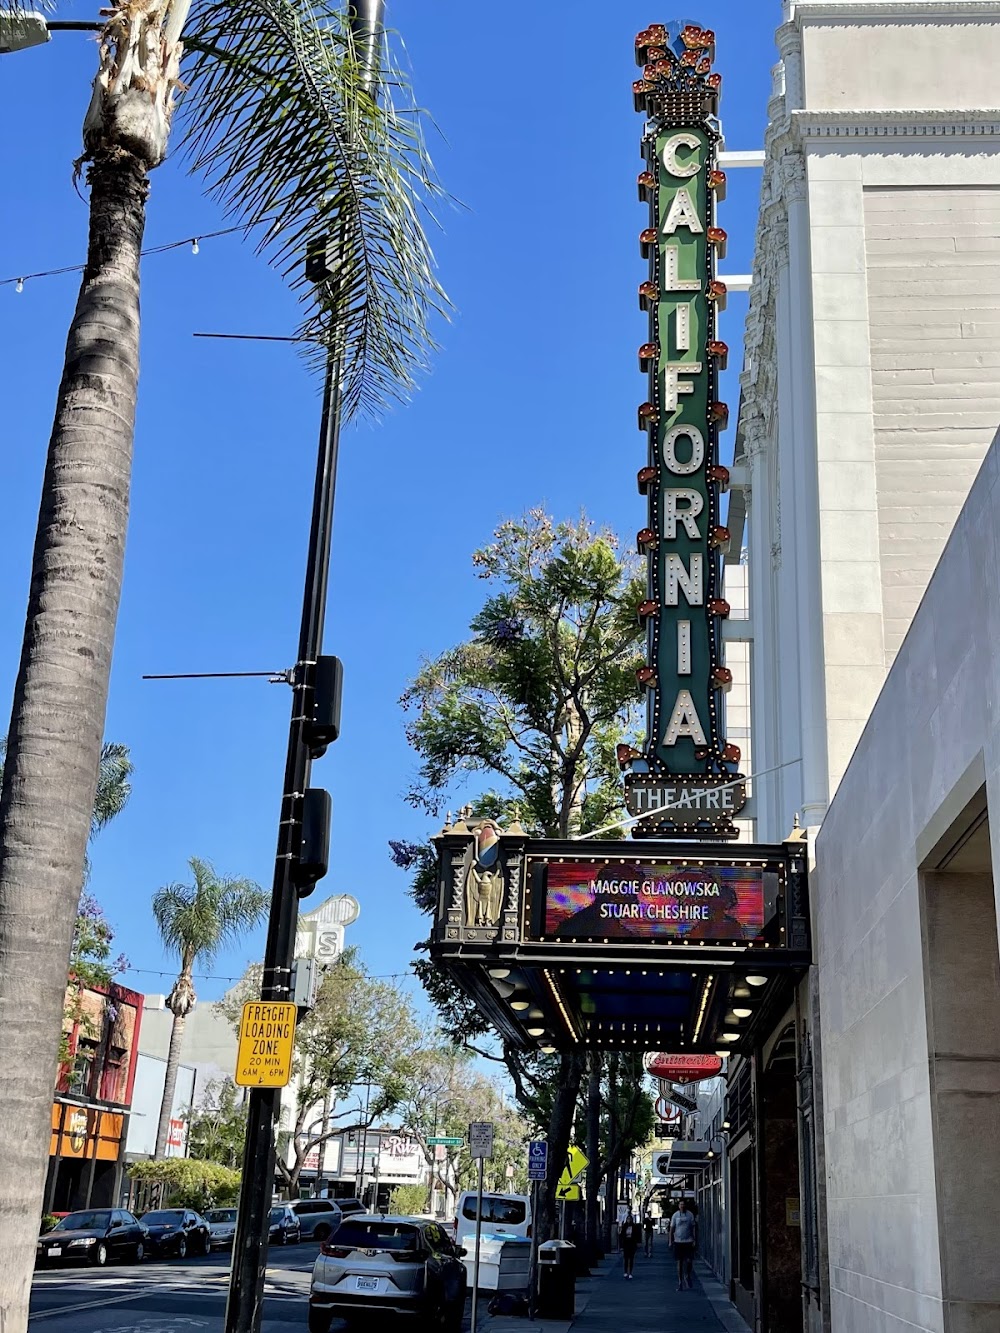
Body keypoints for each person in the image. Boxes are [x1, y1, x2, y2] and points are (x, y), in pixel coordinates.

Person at [668, 1198, 698, 1290]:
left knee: (689, 1261)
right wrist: (670, 1241)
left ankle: (687, 1275)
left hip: (688, 1241)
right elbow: (672, 1229)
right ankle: (680, 1281)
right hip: (678, 1242)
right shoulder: (675, 1215)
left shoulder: (690, 1215)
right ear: (678, 1206)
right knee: (679, 1262)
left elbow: (693, 1227)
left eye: (683, 1204)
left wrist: (694, 1239)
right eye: (680, 1204)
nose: (682, 1206)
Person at [619, 1213, 640, 1279]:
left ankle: (630, 1272)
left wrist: (636, 1244)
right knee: (625, 1258)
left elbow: (636, 1235)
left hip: (632, 1244)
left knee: (631, 1259)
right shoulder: (624, 1226)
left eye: (630, 1219)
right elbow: (622, 1235)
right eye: (628, 1219)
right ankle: (625, 1272)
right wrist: (621, 1246)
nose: (629, 1220)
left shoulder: (634, 1226)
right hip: (626, 1244)